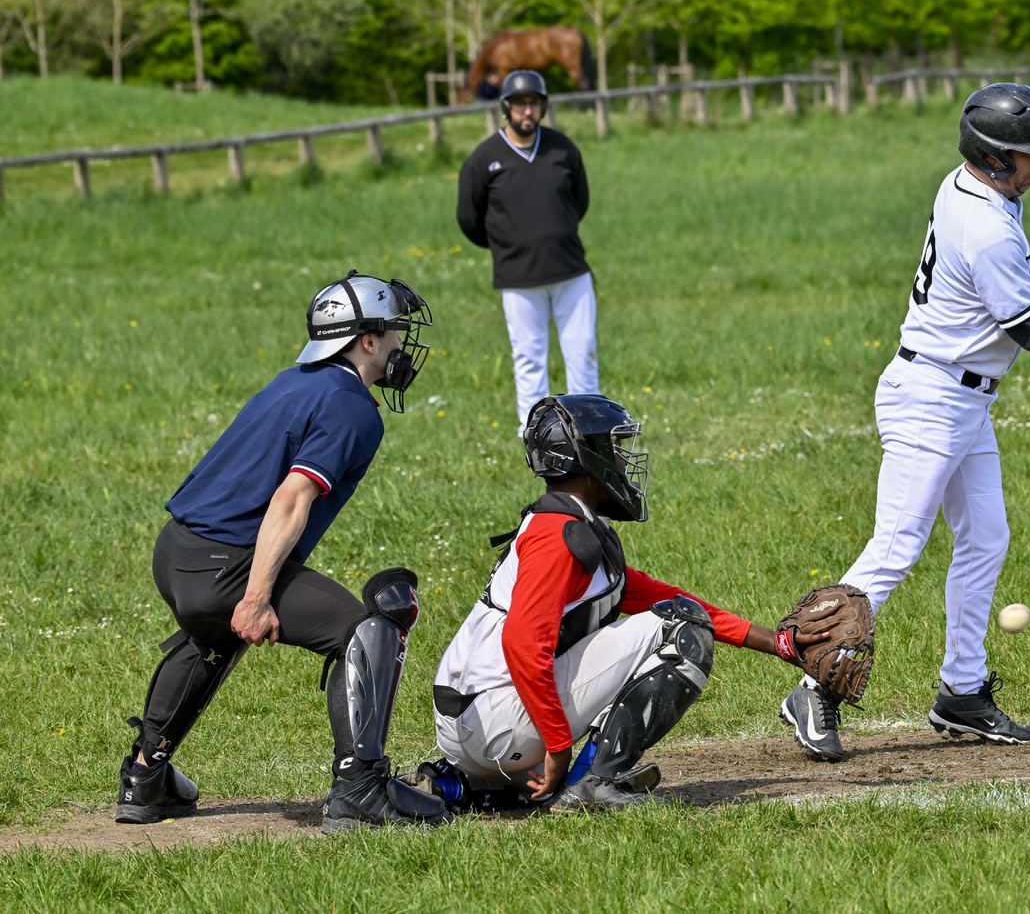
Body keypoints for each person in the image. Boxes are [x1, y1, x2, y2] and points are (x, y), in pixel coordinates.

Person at [780, 83, 1030, 762]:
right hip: (930, 399)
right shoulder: (984, 223)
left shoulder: (979, 194)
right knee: (895, 548)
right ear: (993, 156)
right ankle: (814, 688)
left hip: (961, 398)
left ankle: (961, 692)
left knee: (986, 536)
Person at [116, 271, 452, 834]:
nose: (400, 344)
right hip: (225, 565)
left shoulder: (295, 380)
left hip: (175, 552)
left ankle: (145, 778)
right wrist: (254, 597)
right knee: (368, 627)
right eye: (393, 331)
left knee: (211, 635)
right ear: (366, 340)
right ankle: (360, 788)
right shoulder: (352, 406)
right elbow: (291, 498)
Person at [414, 394, 820, 812]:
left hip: (476, 724)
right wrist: (556, 745)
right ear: (585, 458)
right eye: (615, 447)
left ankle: (483, 785)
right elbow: (522, 644)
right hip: (495, 724)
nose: (624, 461)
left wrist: (779, 643)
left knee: (681, 615)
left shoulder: (564, 522)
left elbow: (667, 596)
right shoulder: (557, 537)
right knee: (682, 630)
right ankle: (593, 781)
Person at [457, 68, 600, 427]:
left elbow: (578, 202)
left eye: (534, 104)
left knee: (582, 352)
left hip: (570, 271)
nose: (527, 111)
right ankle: (535, 432)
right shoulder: (484, 158)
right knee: (529, 357)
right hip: (517, 276)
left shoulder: (562, 149)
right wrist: (509, 245)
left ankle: (588, 427)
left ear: (543, 108)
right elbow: (469, 218)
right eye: (519, 104)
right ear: (506, 107)